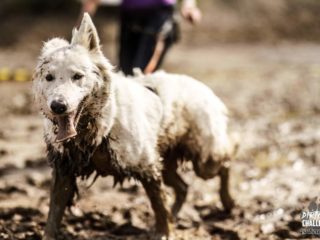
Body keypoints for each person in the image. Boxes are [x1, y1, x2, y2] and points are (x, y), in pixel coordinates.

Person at [79, 0, 201, 75]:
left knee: (140, 74)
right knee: (125, 74)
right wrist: (82, 24)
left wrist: (189, 5)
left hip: (158, 17)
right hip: (129, 17)